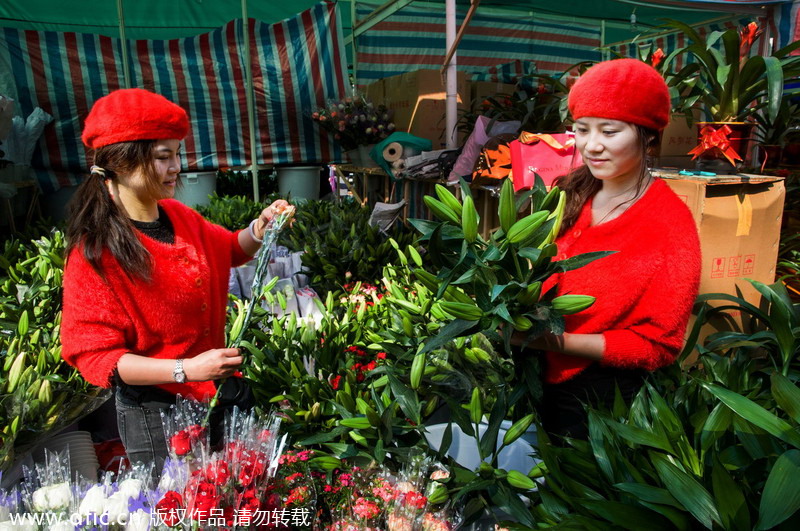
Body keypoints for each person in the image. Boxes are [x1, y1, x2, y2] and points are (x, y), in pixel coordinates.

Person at [60, 88, 292, 472]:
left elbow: (230, 248)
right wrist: (186, 369)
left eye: (177, 155)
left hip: (212, 393)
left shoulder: (178, 216)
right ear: (119, 162)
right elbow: (101, 359)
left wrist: (261, 226)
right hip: (157, 412)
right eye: (162, 157)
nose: (176, 168)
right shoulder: (96, 253)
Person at [521, 59, 701, 441]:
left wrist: (548, 340)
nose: (592, 145)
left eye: (610, 131)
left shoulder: (671, 222)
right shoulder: (566, 195)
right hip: (529, 377)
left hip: (601, 401)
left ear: (648, 136)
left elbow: (658, 345)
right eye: (582, 130)